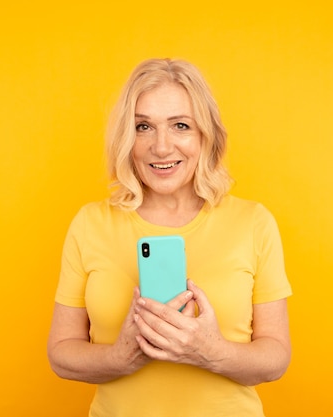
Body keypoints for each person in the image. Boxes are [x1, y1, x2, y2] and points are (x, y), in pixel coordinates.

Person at [47, 58, 292, 417]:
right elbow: (62, 353)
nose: (161, 147)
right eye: (143, 126)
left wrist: (208, 349)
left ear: (205, 135)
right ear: (125, 138)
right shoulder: (91, 223)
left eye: (180, 125)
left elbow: (275, 359)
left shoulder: (253, 222)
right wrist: (123, 356)